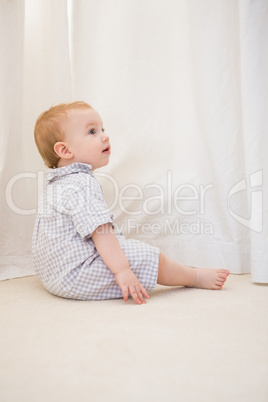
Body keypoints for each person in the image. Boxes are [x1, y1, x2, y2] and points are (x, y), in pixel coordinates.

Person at [32, 101, 229, 305]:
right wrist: (122, 270)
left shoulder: (55, 185)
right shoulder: (82, 184)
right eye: (92, 131)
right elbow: (100, 230)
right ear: (64, 150)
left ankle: (184, 273)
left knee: (121, 249)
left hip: (53, 275)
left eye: (102, 129)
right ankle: (193, 277)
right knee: (142, 255)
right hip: (77, 276)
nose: (104, 136)